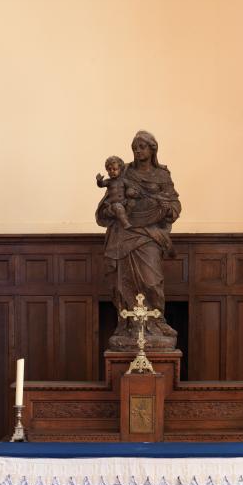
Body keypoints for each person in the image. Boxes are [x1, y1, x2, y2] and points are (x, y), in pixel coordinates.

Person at [96, 131, 181, 351]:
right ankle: (128, 325)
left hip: (150, 235)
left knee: (152, 280)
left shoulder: (162, 175)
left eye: (142, 146)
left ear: (153, 149)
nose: (138, 150)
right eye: (135, 146)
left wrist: (166, 210)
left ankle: (157, 321)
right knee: (124, 283)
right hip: (124, 235)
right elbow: (107, 204)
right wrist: (113, 211)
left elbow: (174, 204)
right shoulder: (123, 172)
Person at [96, 156, 138, 230]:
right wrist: (99, 181)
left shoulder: (123, 181)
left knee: (132, 202)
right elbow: (101, 185)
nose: (112, 171)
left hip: (124, 202)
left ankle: (128, 217)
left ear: (120, 170)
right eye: (109, 170)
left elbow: (132, 187)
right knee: (118, 207)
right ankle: (126, 224)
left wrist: (132, 192)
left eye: (115, 169)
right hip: (112, 205)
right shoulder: (109, 182)